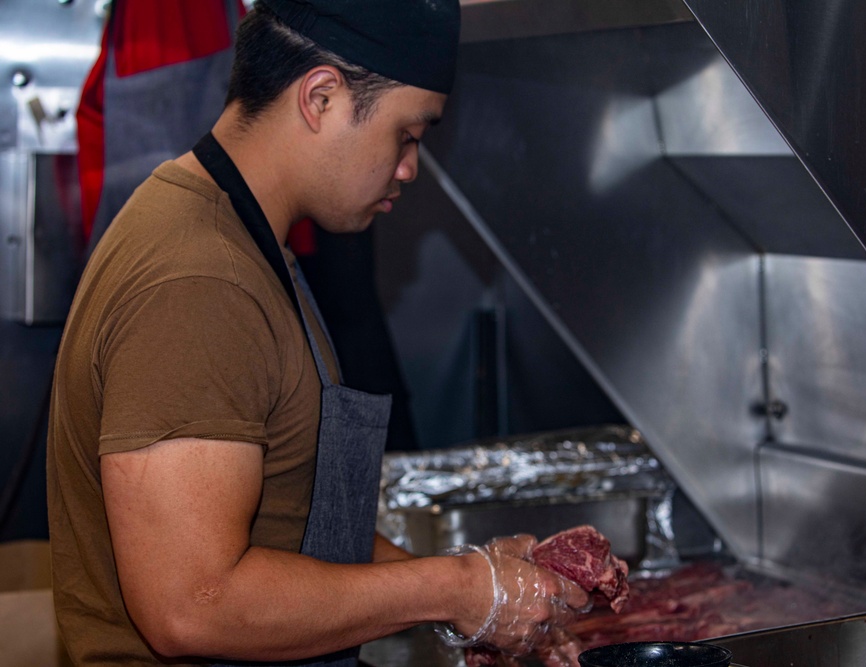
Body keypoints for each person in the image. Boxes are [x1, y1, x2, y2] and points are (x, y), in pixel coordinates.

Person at [45, 1, 590, 666]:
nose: (409, 167)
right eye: (407, 134)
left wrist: (472, 590)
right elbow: (192, 605)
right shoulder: (200, 280)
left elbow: (294, 524)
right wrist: (455, 588)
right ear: (322, 97)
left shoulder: (247, 243)